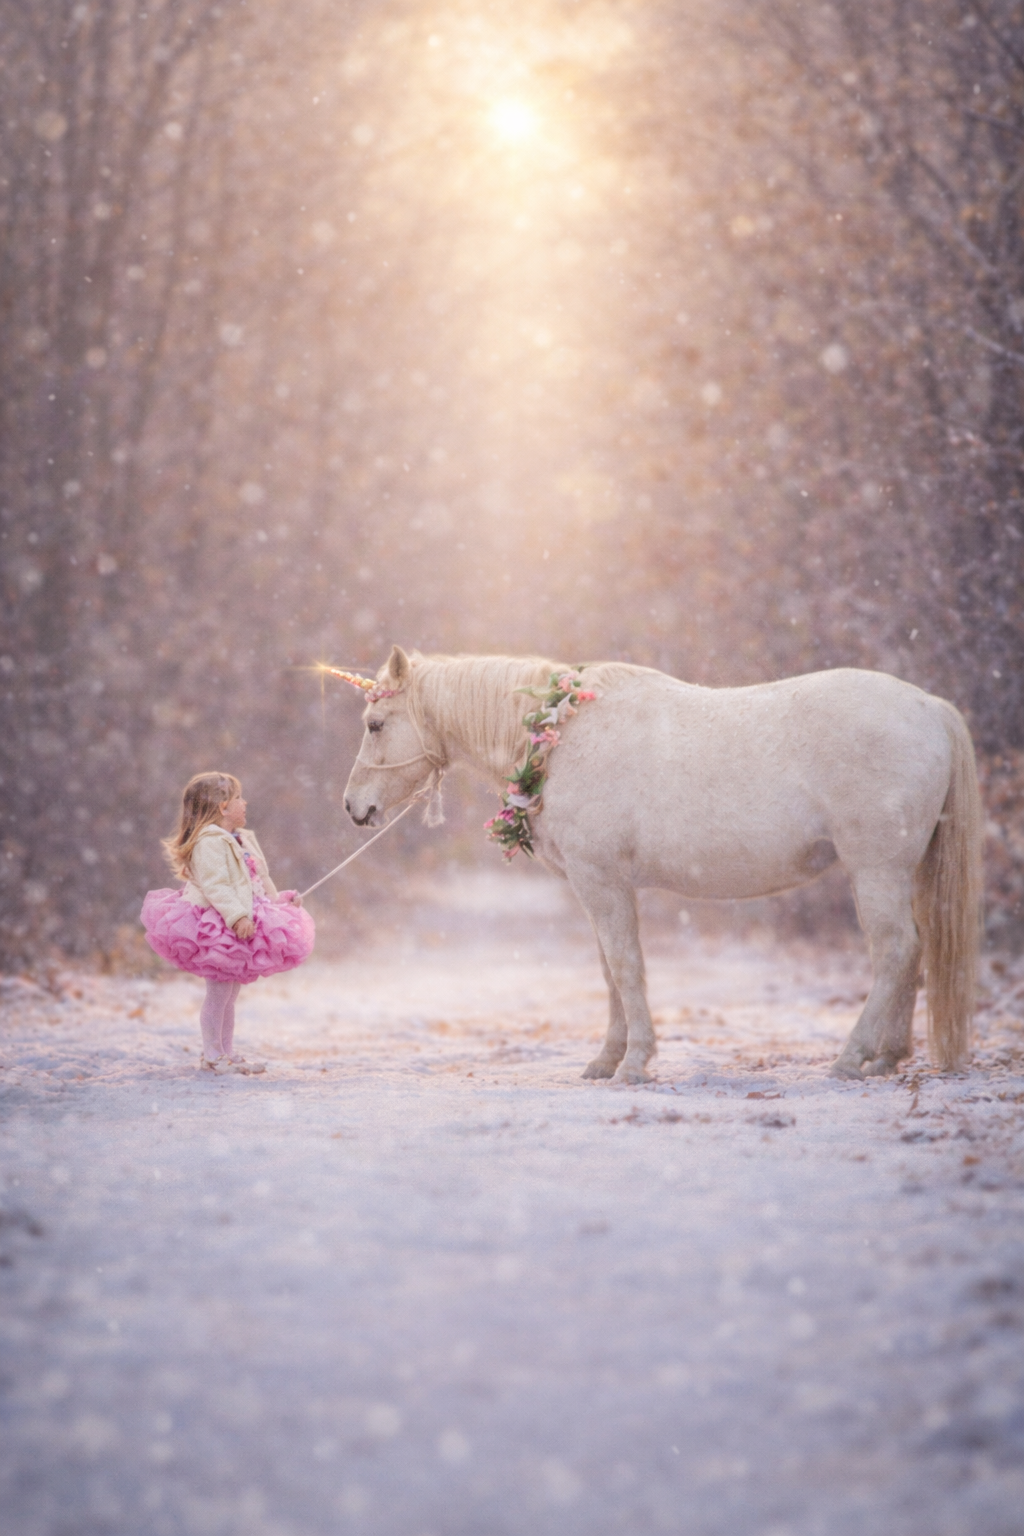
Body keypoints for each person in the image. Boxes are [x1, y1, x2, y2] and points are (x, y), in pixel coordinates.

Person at [141, 772, 315, 1074]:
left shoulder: (242, 838)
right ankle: (212, 1053)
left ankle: (226, 1051)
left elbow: (257, 881)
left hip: (243, 916)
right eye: (238, 798)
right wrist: (237, 917)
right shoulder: (209, 841)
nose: (244, 803)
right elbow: (216, 885)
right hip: (219, 923)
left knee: (230, 994)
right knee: (219, 993)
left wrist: (279, 900)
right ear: (222, 807)